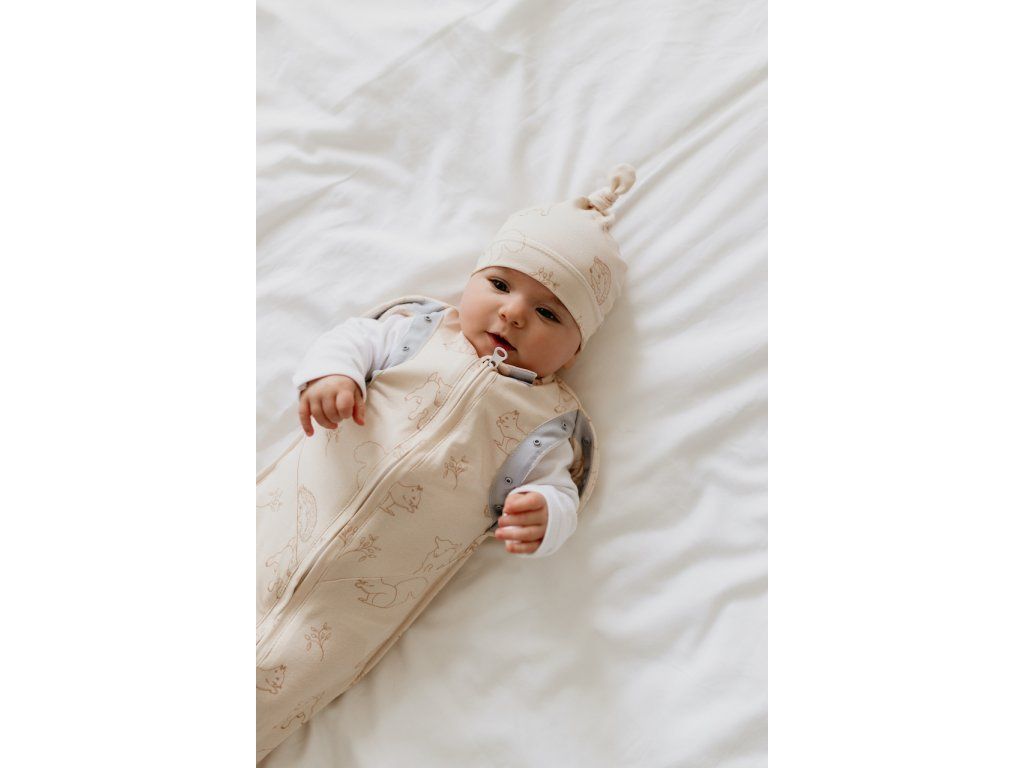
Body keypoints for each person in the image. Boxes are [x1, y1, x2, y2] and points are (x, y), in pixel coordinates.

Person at [256, 164, 636, 761]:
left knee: (269, 699)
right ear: (471, 280)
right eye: (501, 285)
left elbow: (560, 491)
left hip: (347, 615)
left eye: (549, 314)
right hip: (270, 529)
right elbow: (351, 338)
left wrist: (545, 513)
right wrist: (333, 374)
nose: (514, 314)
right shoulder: (419, 332)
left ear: (575, 350)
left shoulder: (546, 425)